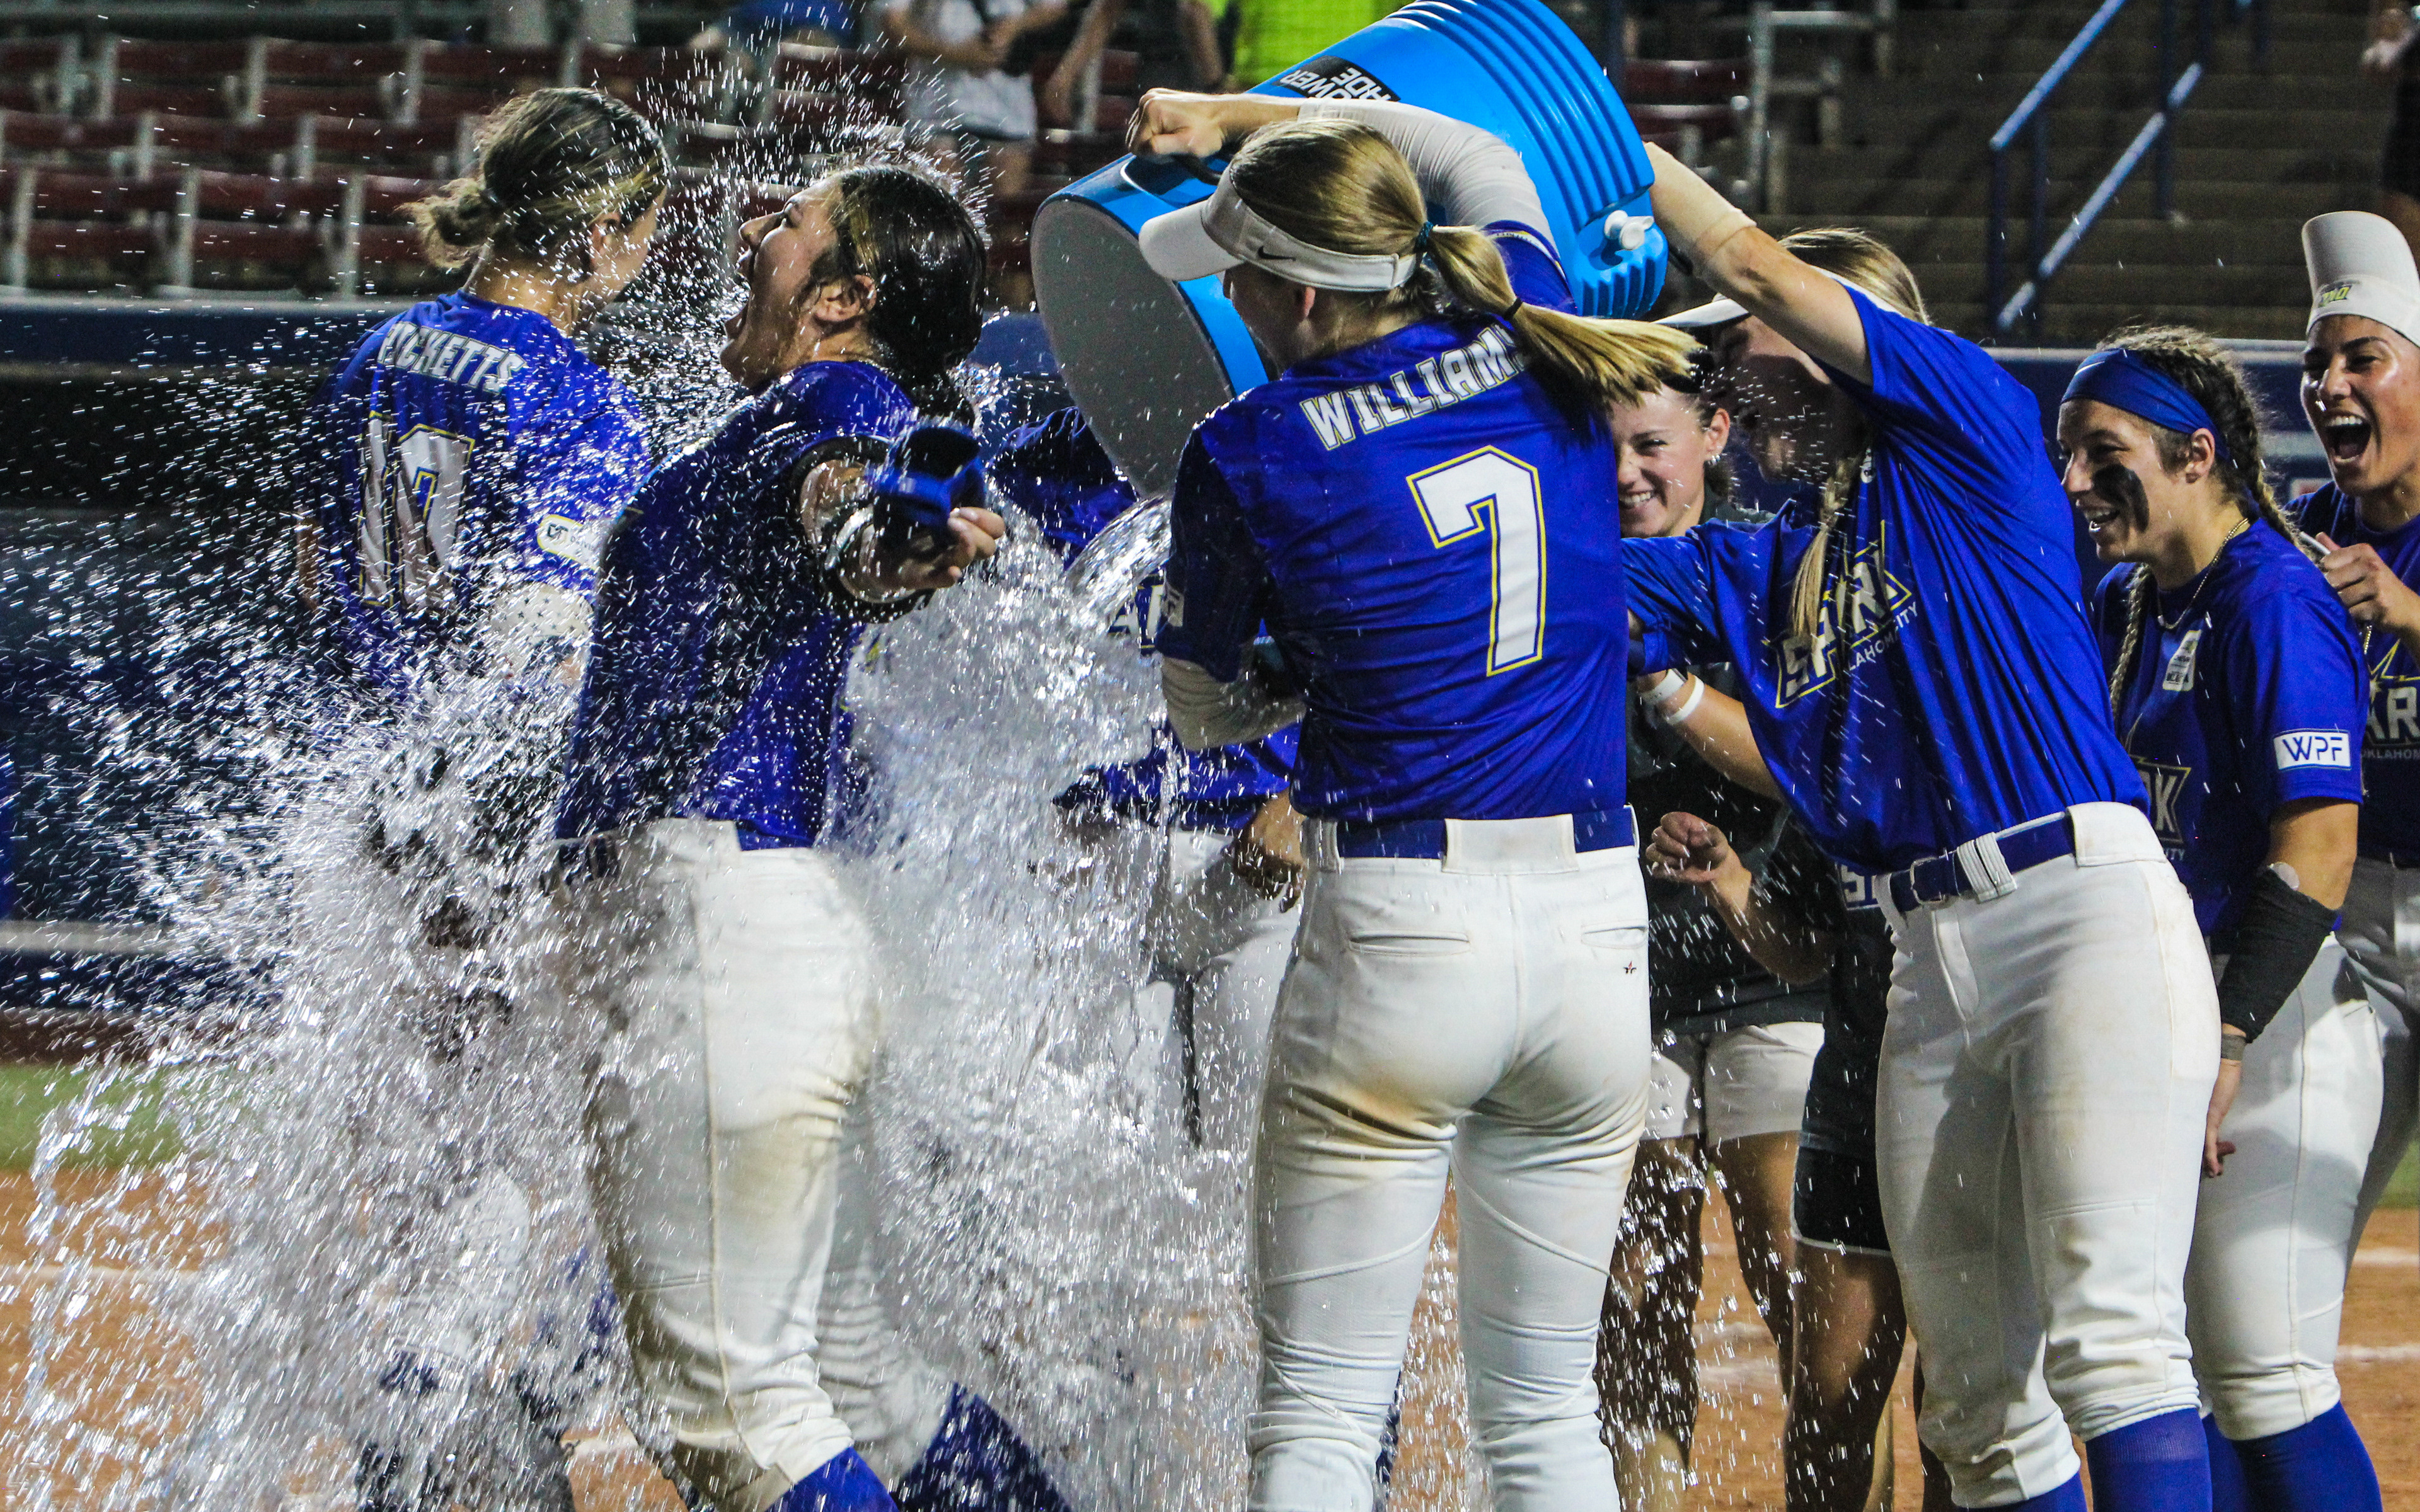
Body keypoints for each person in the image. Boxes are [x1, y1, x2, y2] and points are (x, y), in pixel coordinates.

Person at [1130, 88, 1695, 1509]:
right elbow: (1481, 150)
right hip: (1593, 925)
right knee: (1546, 1417)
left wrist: (1310, 673)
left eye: (1244, 275)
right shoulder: (1538, 332)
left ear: (1308, 298)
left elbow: (1201, 713)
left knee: (1321, 1417)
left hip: (1401, 921)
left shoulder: (1250, 445)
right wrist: (1237, 117)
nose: (1231, 298)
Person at [1623, 176, 2221, 1511]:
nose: (1731, 378)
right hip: (1916, 959)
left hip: (2073, 907)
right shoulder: (1775, 559)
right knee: (1975, 1404)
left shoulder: (1965, 427)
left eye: (1749, 347)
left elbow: (1756, 266)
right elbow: (1565, 579)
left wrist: (1615, 142)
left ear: (1841, 339)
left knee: (2114, 1346)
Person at [554, 164, 1067, 1512]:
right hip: (776, 928)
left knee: (728, 1410)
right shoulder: (798, 408)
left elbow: (850, 495)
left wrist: (879, 535)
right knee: (866, 1390)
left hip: (721, 935)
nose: (751, 232)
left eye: (788, 227)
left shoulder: (833, 398)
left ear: (846, 298)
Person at [297, 86, 669, 1512]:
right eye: (642, 226)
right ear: (597, 231)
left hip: (392, 777)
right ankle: (456, 1411)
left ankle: (451, 1410)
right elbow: (551, 644)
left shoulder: (382, 350)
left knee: (458, 1129)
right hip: (505, 794)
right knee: (584, 1120)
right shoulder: (571, 393)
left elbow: (323, 575)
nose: (649, 252)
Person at [2060, 326, 2378, 1512]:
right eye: (2068, 454)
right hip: (2171, 1003)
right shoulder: (2131, 600)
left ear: (2198, 455)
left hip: (2272, 1014)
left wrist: (2234, 1032)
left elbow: (2321, 844)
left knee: (2265, 1375)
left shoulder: (2273, 598)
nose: (2075, 482)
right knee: (2178, 1375)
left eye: (2104, 453)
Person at [1599, 360, 1832, 1512]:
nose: (1627, 473)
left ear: (1716, 435)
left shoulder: (1767, 569)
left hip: (1771, 968)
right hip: (1621, 978)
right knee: (1636, 1299)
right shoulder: (1565, 575)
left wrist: (1666, 688)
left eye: (1652, 444)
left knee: (1805, 1297)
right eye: (1605, 447)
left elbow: (1807, 766)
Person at [991, 407, 1304, 1162]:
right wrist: (1035, 812)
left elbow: (1407, 632)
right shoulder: (1039, 467)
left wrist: (1310, 798)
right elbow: (985, 671)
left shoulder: (1296, 436)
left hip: (1262, 859)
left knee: (1279, 1171)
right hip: (1101, 869)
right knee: (1082, 1169)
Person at [2297, 212, 2420, 1376]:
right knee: (2280, 1253)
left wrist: (2411, 613)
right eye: (2318, 363)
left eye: (2363, 358)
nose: (2331, 384)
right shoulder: (2305, 536)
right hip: (2351, 925)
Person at [880, 0, 1065, 195]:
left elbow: (1054, 7)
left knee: (1007, 201)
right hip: (936, 108)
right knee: (942, 198)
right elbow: (894, 22)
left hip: (1008, 108)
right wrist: (955, 54)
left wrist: (1014, 26)